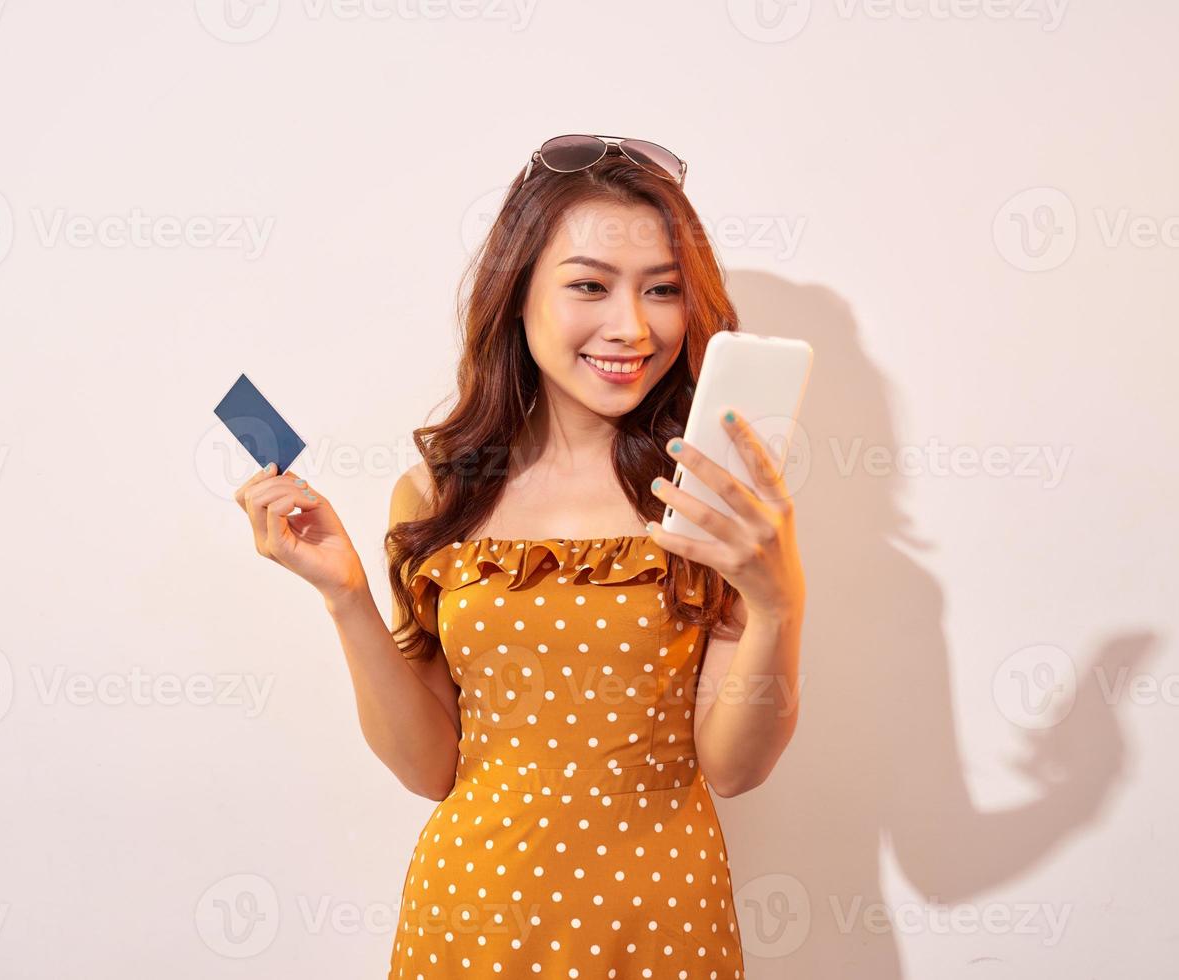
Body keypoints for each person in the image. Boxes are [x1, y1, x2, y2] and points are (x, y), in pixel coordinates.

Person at [233, 134, 805, 978]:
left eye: (662, 290)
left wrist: (777, 604)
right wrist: (347, 597)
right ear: (518, 295)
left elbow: (734, 768)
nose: (632, 327)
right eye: (588, 286)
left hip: (661, 930)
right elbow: (430, 768)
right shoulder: (439, 496)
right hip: (473, 922)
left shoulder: (718, 496)